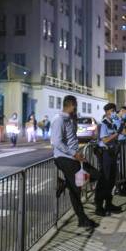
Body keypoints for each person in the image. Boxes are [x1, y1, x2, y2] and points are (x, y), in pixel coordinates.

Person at [51, 95, 98, 229]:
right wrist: (74, 154)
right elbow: (57, 142)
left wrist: (75, 120)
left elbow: (72, 138)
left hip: (72, 158)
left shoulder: (70, 119)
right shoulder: (59, 120)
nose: (76, 108)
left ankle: (66, 182)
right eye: (75, 105)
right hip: (64, 158)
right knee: (76, 190)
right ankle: (82, 219)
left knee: (93, 176)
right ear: (71, 105)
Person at [95, 103, 123, 217]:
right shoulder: (104, 124)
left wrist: (122, 128)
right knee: (104, 180)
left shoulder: (112, 123)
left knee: (111, 180)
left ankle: (108, 204)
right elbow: (105, 140)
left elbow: (120, 136)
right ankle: (99, 206)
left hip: (112, 153)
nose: (113, 113)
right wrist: (116, 134)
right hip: (105, 154)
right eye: (111, 110)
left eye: (114, 110)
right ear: (106, 111)